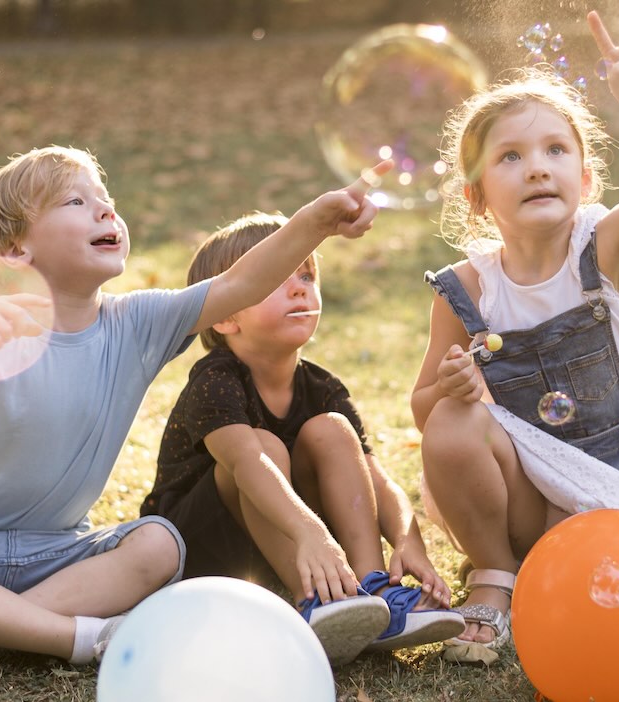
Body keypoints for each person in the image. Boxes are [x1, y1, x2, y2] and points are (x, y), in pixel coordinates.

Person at [0, 145, 391, 693]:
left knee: (160, 543)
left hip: (61, 556)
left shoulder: (135, 325)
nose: (106, 211)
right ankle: (77, 638)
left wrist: (314, 223)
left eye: (106, 200)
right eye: (75, 201)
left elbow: (238, 286)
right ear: (16, 249)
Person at [410, 12, 619, 664]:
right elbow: (424, 413)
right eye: (510, 157)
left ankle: (548, 575)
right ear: (478, 197)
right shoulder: (467, 289)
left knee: (608, 599)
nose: (536, 168)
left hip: (612, 492)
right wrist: (451, 388)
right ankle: (495, 572)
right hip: (522, 499)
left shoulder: (607, 249)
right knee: (453, 423)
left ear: (585, 177)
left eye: (555, 150)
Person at [141, 212, 465, 665]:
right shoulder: (214, 380)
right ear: (225, 315)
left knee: (331, 429)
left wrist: (409, 540)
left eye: (307, 275)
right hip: (201, 546)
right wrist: (311, 531)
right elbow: (246, 465)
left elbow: (375, 476)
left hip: (296, 540)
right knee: (264, 448)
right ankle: (316, 602)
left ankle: (371, 591)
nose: (299, 287)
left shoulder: (321, 386)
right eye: (278, 277)